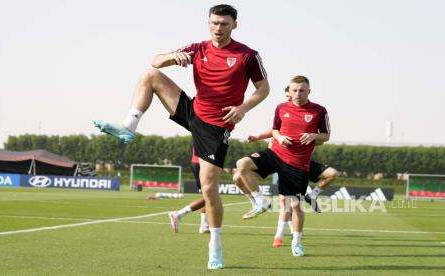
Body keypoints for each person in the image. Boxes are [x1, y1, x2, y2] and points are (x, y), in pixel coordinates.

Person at [94, 4, 269, 269]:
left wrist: (244, 108)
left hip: (215, 127)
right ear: (208, 23)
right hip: (193, 110)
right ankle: (129, 126)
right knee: (150, 75)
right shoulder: (198, 48)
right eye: (213, 23)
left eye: (223, 24)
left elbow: (263, 88)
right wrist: (172, 56)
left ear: (234, 25)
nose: (218, 28)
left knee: (209, 188)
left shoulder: (247, 55)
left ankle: (215, 247)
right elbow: (154, 61)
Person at [234, 75, 330, 257]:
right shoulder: (281, 107)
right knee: (242, 164)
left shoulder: (319, 111)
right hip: (276, 153)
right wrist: (278, 138)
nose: (298, 94)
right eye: (294, 90)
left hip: (297, 163)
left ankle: (296, 241)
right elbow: (275, 129)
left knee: (296, 204)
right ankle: (260, 201)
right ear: (289, 91)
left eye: (302, 90)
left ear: (309, 91)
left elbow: (326, 135)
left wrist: (314, 136)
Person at [168, 148, 210, 234]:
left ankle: (204, 226)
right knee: (209, 196)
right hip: (202, 163)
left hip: (201, 162)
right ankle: (178, 214)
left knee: (208, 196)